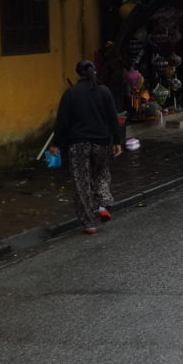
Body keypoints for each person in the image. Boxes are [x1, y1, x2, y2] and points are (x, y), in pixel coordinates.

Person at [49, 60, 123, 234]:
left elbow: (62, 123)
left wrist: (56, 144)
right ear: (94, 72)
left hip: (78, 144)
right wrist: (118, 141)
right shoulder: (104, 91)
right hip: (102, 142)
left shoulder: (71, 93)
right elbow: (114, 118)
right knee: (101, 174)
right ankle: (103, 205)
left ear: (78, 74)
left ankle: (89, 223)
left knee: (81, 182)